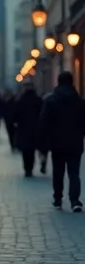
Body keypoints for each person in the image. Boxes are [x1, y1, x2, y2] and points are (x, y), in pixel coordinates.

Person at [39, 70, 85, 212]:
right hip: (75, 142)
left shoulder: (51, 100)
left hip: (57, 142)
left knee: (58, 172)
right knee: (74, 173)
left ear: (58, 82)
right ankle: (75, 200)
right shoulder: (79, 101)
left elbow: (44, 121)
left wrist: (44, 140)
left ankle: (58, 198)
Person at [13, 81, 43, 177]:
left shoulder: (20, 100)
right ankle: (31, 167)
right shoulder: (38, 100)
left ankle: (27, 168)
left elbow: (15, 115)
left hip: (23, 128)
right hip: (35, 128)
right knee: (32, 150)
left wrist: (15, 123)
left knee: (25, 150)